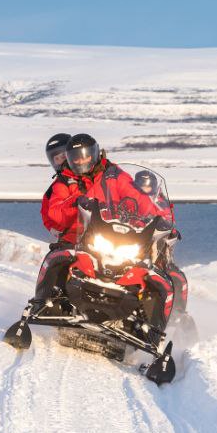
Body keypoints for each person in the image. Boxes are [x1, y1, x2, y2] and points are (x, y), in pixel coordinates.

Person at [30, 134, 175, 339]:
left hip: (118, 232)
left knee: (155, 274)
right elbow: (54, 215)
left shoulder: (113, 174)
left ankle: (152, 330)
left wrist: (163, 219)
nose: (80, 161)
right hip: (81, 235)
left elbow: (139, 197)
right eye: (75, 158)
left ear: (94, 153)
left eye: (84, 156)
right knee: (58, 257)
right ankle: (40, 304)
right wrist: (78, 201)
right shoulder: (63, 183)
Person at [133, 169, 188, 315]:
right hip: (130, 237)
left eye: (148, 187)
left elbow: (168, 218)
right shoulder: (129, 198)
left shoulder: (161, 202)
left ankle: (177, 311)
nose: (145, 190)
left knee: (172, 273)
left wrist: (169, 228)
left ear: (154, 187)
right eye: (142, 186)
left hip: (154, 241)